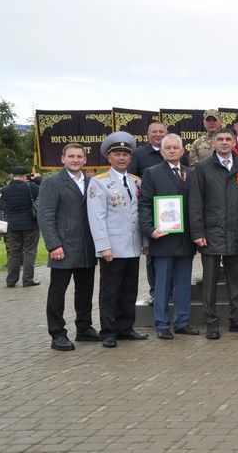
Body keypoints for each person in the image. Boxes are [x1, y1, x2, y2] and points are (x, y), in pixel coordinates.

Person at [189, 126, 238, 339]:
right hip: (211, 232)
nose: (224, 142)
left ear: (234, 141)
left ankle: (236, 319)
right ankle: (211, 322)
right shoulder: (202, 168)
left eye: (228, 139)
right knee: (209, 282)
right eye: (220, 139)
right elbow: (195, 202)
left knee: (236, 280)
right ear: (214, 143)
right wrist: (198, 231)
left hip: (236, 232)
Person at [87, 132, 148, 348]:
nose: (121, 158)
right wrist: (103, 247)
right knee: (110, 290)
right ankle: (108, 330)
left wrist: (144, 243)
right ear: (109, 158)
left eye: (125, 154)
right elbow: (97, 217)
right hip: (112, 247)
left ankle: (125, 327)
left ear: (130, 158)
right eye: (117, 154)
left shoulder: (136, 181)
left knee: (130, 289)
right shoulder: (99, 182)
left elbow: (140, 214)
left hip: (132, 245)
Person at [39, 143, 100, 351]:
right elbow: (45, 216)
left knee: (85, 291)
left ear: (85, 160)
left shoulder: (92, 182)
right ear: (62, 158)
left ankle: (84, 328)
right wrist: (53, 244)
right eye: (71, 156)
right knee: (57, 292)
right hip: (62, 248)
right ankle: (57, 333)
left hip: (87, 247)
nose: (75, 160)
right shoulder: (52, 182)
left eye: (79, 156)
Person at [138, 134, 198, 340]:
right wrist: (150, 229)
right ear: (162, 151)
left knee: (183, 283)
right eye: (168, 148)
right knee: (162, 284)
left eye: (176, 148)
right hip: (162, 237)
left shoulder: (191, 173)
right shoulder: (151, 173)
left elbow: (197, 206)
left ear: (182, 151)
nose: (172, 151)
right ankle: (162, 323)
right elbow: (145, 204)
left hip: (186, 238)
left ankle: (182, 322)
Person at [1, 166, 40, 287]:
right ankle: (27, 279)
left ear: (13, 175)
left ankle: (11, 280)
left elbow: (1, 205)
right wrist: (36, 179)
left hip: (12, 225)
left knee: (14, 252)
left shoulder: (5, 189)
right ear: (25, 176)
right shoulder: (31, 186)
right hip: (30, 224)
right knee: (29, 252)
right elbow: (44, 190)